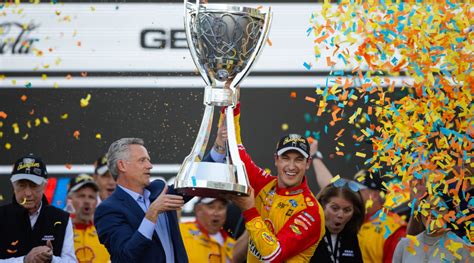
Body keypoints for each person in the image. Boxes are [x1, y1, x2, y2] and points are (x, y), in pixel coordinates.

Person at [209, 104, 326, 262]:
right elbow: (235, 150)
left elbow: (273, 256)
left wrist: (249, 211)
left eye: (298, 160)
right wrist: (231, 103)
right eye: (286, 158)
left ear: (307, 164)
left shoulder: (310, 212)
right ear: (276, 160)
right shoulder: (265, 183)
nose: (291, 166)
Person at [310, 140, 407, 263]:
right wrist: (315, 157)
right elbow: (330, 188)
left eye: (358, 189)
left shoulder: (393, 228)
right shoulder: (351, 214)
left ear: (375, 195)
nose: (353, 192)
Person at [94, 137, 188, 263]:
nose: (150, 166)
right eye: (142, 160)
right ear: (122, 165)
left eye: (148, 160)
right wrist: (151, 214)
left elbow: (193, 184)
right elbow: (125, 256)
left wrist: (218, 148)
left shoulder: (160, 191)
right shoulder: (108, 210)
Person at [0, 154, 76, 262]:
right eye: (21, 185)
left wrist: (51, 259)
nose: (28, 193)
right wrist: (24, 260)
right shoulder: (1, 216)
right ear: (13, 186)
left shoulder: (61, 218)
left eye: (33, 185)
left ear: (44, 186)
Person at [392, 196, 473, 262]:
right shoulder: (404, 245)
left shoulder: (464, 249)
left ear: (450, 213)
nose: (432, 214)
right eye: (427, 208)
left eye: (439, 209)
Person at [310, 179, 365, 263]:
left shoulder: (351, 237)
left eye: (347, 210)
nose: (340, 215)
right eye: (334, 208)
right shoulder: (308, 233)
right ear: (322, 206)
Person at [68, 173, 110, 262]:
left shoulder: (106, 230)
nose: (87, 201)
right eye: (81, 196)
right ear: (70, 198)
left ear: (96, 202)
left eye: (91, 197)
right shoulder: (60, 229)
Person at [180, 197, 235, 262]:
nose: (216, 213)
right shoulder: (181, 231)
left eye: (221, 208)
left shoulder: (232, 244)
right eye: (211, 207)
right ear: (198, 210)